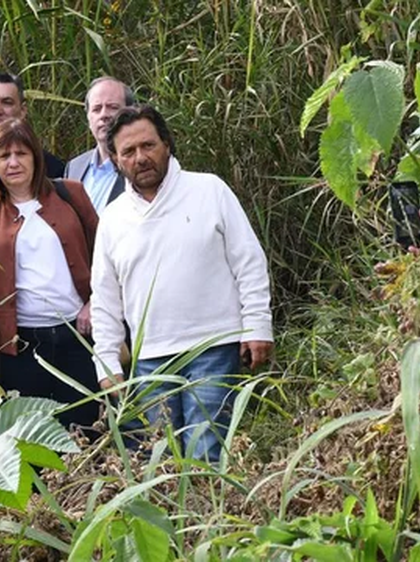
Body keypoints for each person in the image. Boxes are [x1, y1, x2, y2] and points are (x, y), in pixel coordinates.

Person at [91, 104, 274, 462]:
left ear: (167, 144)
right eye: (128, 151)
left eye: (148, 146)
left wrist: (257, 327)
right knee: (158, 459)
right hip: (149, 359)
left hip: (213, 348)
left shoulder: (209, 190)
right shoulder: (112, 219)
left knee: (206, 451)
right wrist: (107, 362)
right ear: (115, 160)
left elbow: (249, 262)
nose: (140, 158)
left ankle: (214, 518)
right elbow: (105, 298)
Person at [0, 118, 101, 429]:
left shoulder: (71, 194)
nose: (12, 163)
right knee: (28, 434)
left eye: (21, 154)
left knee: (84, 427)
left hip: (77, 339)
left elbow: (105, 255)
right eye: (3, 156)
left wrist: (95, 301)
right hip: (20, 346)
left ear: (36, 157)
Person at [65, 77, 135, 214]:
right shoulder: (74, 167)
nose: (104, 115)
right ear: (88, 117)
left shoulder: (139, 164)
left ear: (130, 112)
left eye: (113, 107)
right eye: (97, 109)